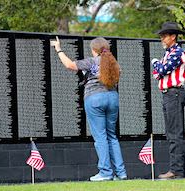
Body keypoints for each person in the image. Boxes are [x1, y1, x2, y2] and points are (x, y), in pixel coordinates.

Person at [50, 36, 127, 181]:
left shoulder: (91, 61)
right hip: (112, 97)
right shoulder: (113, 62)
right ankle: (121, 172)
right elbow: (118, 75)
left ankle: (105, 172)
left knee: (100, 137)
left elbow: (70, 65)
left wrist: (58, 49)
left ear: (93, 49)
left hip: (95, 98)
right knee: (112, 136)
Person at [151, 21, 185, 179]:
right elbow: (156, 75)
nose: (162, 39)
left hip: (174, 93)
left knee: (175, 133)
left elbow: (162, 70)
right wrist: (158, 68)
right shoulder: (167, 53)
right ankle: (176, 170)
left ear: (173, 36)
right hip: (168, 94)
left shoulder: (177, 52)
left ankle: (176, 171)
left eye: (164, 36)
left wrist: (155, 62)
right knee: (171, 133)